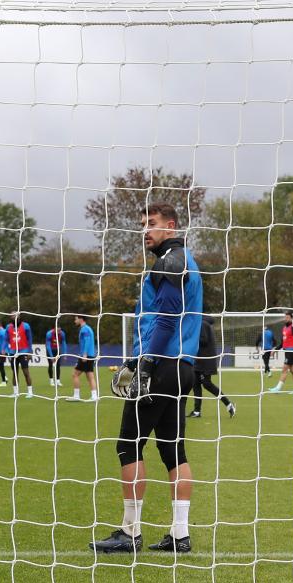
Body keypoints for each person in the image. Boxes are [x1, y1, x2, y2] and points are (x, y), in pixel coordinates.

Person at [90, 203, 203, 555]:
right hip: (182, 366)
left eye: (151, 224)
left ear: (171, 226)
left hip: (164, 367)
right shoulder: (186, 262)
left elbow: (167, 320)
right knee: (173, 450)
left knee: (128, 445)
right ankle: (179, 535)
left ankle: (130, 532)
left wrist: (147, 365)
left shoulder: (169, 261)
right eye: (142, 224)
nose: (145, 230)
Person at [189, 316, 236, 420]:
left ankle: (229, 404)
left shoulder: (202, 324)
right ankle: (197, 411)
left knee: (207, 384)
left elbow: (203, 340)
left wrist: (191, 337)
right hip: (199, 360)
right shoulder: (202, 323)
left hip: (205, 360)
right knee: (195, 384)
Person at [268, 312, 293, 394]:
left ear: (291, 319)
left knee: (284, 369)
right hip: (286, 351)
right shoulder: (284, 328)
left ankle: (278, 388)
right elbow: (282, 343)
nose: (286, 319)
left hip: (291, 351)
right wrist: (275, 350)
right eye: (285, 317)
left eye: (287, 317)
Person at [69, 314, 99, 402]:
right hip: (90, 355)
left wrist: (84, 354)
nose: (75, 321)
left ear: (81, 319)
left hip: (86, 355)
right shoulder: (88, 328)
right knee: (90, 376)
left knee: (75, 374)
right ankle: (94, 396)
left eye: (76, 319)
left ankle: (76, 396)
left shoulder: (85, 329)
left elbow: (87, 341)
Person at [7, 313, 34, 398]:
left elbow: (30, 339)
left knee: (26, 372)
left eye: (15, 315)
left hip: (24, 352)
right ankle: (15, 393)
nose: (14, 317)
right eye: (12, 315)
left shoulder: (26, 326)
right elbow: (6, 339)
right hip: (13, 353)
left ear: (19, 316)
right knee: (15, 373)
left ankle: (30, 392)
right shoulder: (8, 327)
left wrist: (30, 351)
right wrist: (7, 350)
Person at [45, 321, 67, 387]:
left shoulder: (62, 334)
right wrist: (51, 357)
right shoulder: (49, 334)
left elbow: (64, 343)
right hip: (50, 350)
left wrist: (65, 353)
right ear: (54, 329)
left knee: (58, 365)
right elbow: (48, 345)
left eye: (60, 330)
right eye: (57, 330)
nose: (59, 332)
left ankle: (58, 381)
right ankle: (51, 380)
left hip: (57, 350)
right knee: (50, 365)